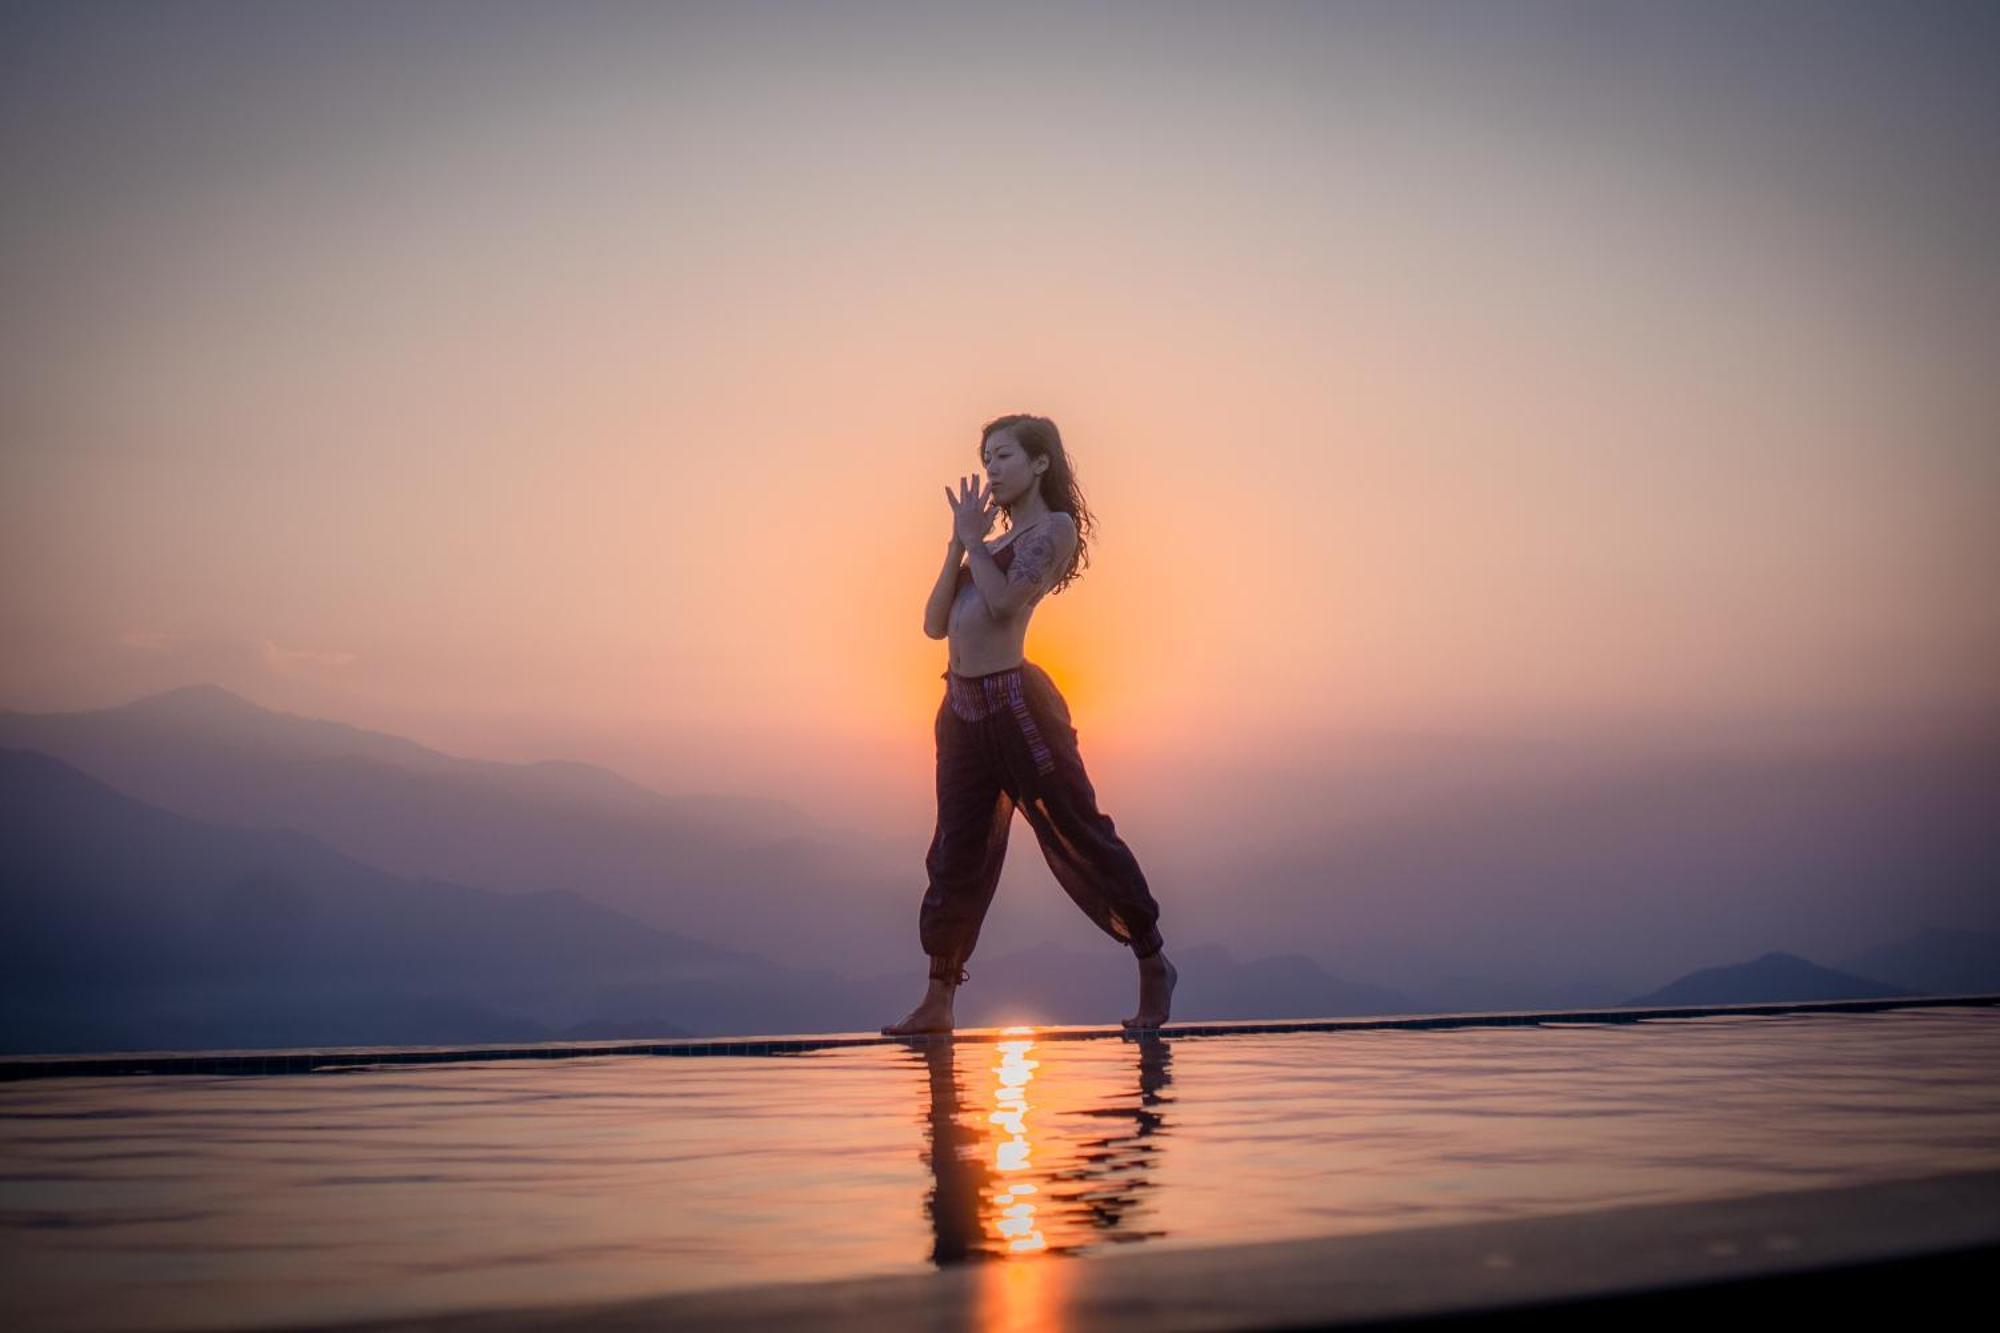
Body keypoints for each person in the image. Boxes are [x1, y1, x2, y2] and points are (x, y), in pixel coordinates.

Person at [881, 414, 1177, 1036]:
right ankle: (939, 999)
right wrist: (960, 543)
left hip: (1018, 707)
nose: (991, 468)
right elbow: (936, 625)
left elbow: (1004, 603)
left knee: (1077, 828)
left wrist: (976, 544)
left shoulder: (1054, 530)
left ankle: (1152, 960)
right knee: (955, 852)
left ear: (1040, 463)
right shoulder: (984, 545)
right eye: (986, 457)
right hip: (959, 710)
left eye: (1004, 455)